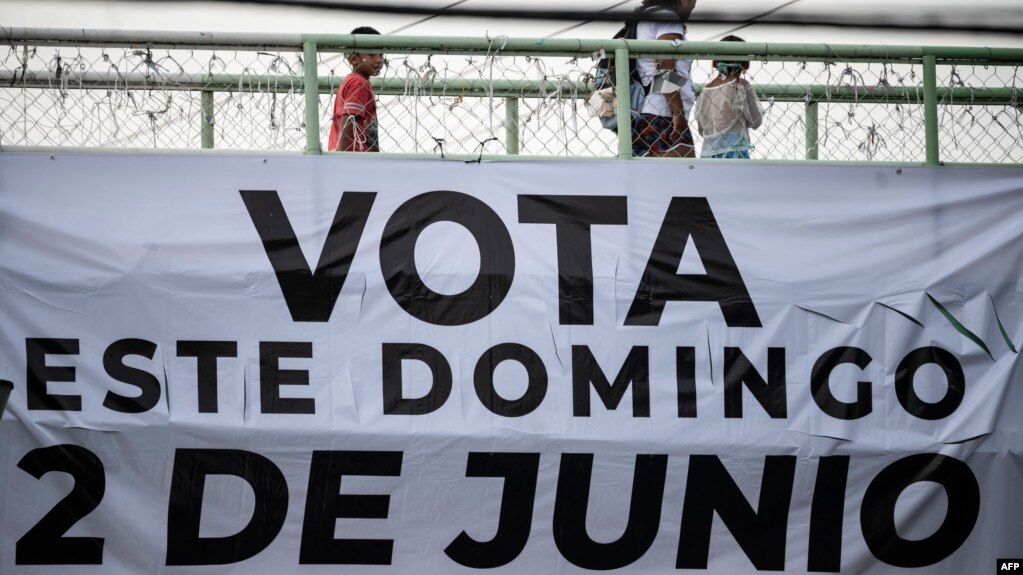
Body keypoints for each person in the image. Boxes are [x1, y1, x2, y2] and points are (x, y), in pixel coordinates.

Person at [633, 0, 698, 158]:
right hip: (665, 113)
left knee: (651, 179)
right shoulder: (668, 17)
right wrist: (678, 113)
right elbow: (665, 64)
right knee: (683, 177)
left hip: (645, 112)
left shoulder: (645, 17)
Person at [693, 35, 764, 158]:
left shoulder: (705, 91)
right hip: (735, 151)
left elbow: (701, 129)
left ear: (715, 62)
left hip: (708, 153)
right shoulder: (741, 86)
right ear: (746, 64)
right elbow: (756, 121)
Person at [327, 26, 384, 152]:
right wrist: (344, 157)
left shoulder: (359, 81)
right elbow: (349, 119)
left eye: (381, 54)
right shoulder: (358, 83)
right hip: (352, 155)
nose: (379, 59)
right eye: (372, 55)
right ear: (354, 59)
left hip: (354, 155)